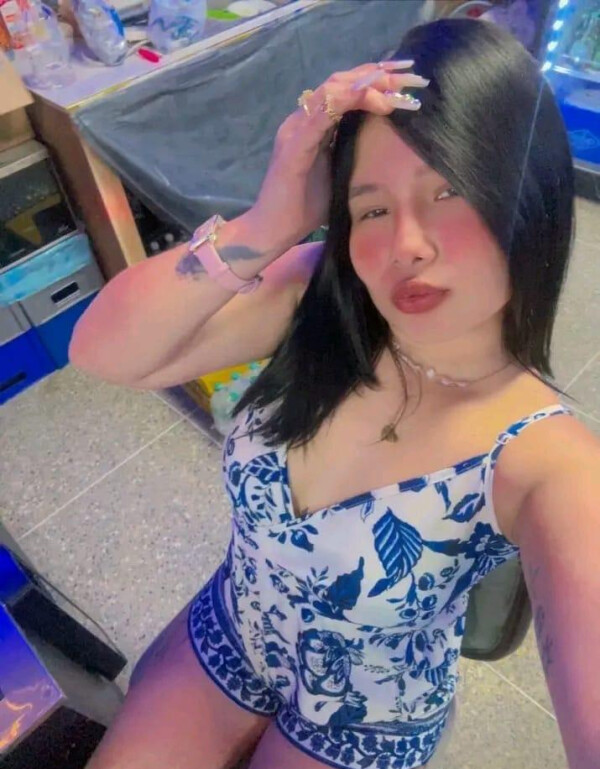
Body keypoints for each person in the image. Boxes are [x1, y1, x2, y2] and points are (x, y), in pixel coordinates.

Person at [71, 17, 584, 769]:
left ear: (528, 199)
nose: (405, 245)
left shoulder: (549, 459)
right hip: (233, 630)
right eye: (372, 207)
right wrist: (270, 220)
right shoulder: (326, 294)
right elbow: (103, 353)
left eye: (449, 191)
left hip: (369, 714)